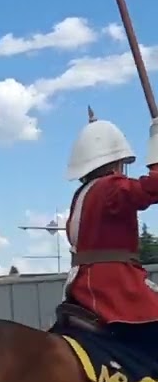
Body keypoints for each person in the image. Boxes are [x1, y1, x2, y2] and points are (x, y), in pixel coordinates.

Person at [63, 111, 158, 347]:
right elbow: (152, 187)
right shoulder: (110, 188)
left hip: (84, 284)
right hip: (115, 286)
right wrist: (155, 148)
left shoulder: (82, 194)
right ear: (115, 162)